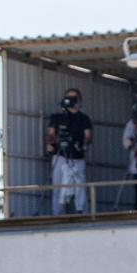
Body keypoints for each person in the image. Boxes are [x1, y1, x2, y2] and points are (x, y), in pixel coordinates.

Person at [46, 86, 93, 215]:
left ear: (79, 100)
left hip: (77, 156)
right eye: (68, 98)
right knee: (58, 187)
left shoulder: (84, 118)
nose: (71, 100)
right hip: (60, 156)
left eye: (74, 98)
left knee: (80, 188)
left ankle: (83, 214)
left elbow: (88, 135)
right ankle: (57, 215)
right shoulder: (58, 117)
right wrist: (50, 142)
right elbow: (51, 133)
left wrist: (83, 144)